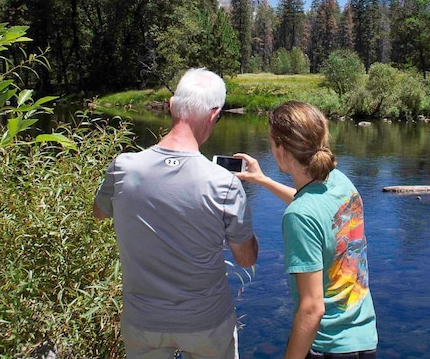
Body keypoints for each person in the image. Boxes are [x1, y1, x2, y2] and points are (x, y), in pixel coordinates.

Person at [93, 68, 258, 359]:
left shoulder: (123, 167)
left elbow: (99, 212)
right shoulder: (223, 183)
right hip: (206, 322)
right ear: (213, 115)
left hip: (143, 320)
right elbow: (246, 259)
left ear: (171, 105)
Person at [235, 101, 377, 359]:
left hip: (328, 347)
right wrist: (263, 180)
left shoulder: (299, 216)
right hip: (364, 339)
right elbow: (314, 207)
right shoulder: (339, 182)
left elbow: (312, 308)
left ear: (281, 150)